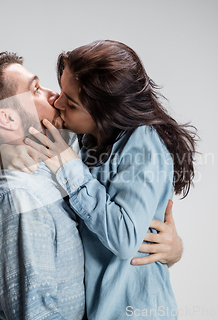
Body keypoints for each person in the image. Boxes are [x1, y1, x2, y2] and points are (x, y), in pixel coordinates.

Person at [0, 51, 183, 319]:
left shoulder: (57, 155)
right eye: (36, 89)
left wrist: (174, 249)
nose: (55, 99)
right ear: (8, 119)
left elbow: (126, 222)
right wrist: (0, 155)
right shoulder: (19, 197)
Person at [23, 40, 197, 319]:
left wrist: (69, 165)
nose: (57, 102)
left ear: (107, 112)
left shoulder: (142, 144)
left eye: (72, 103)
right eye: (62, 90)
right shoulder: (83, 138)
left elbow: (126, 240)